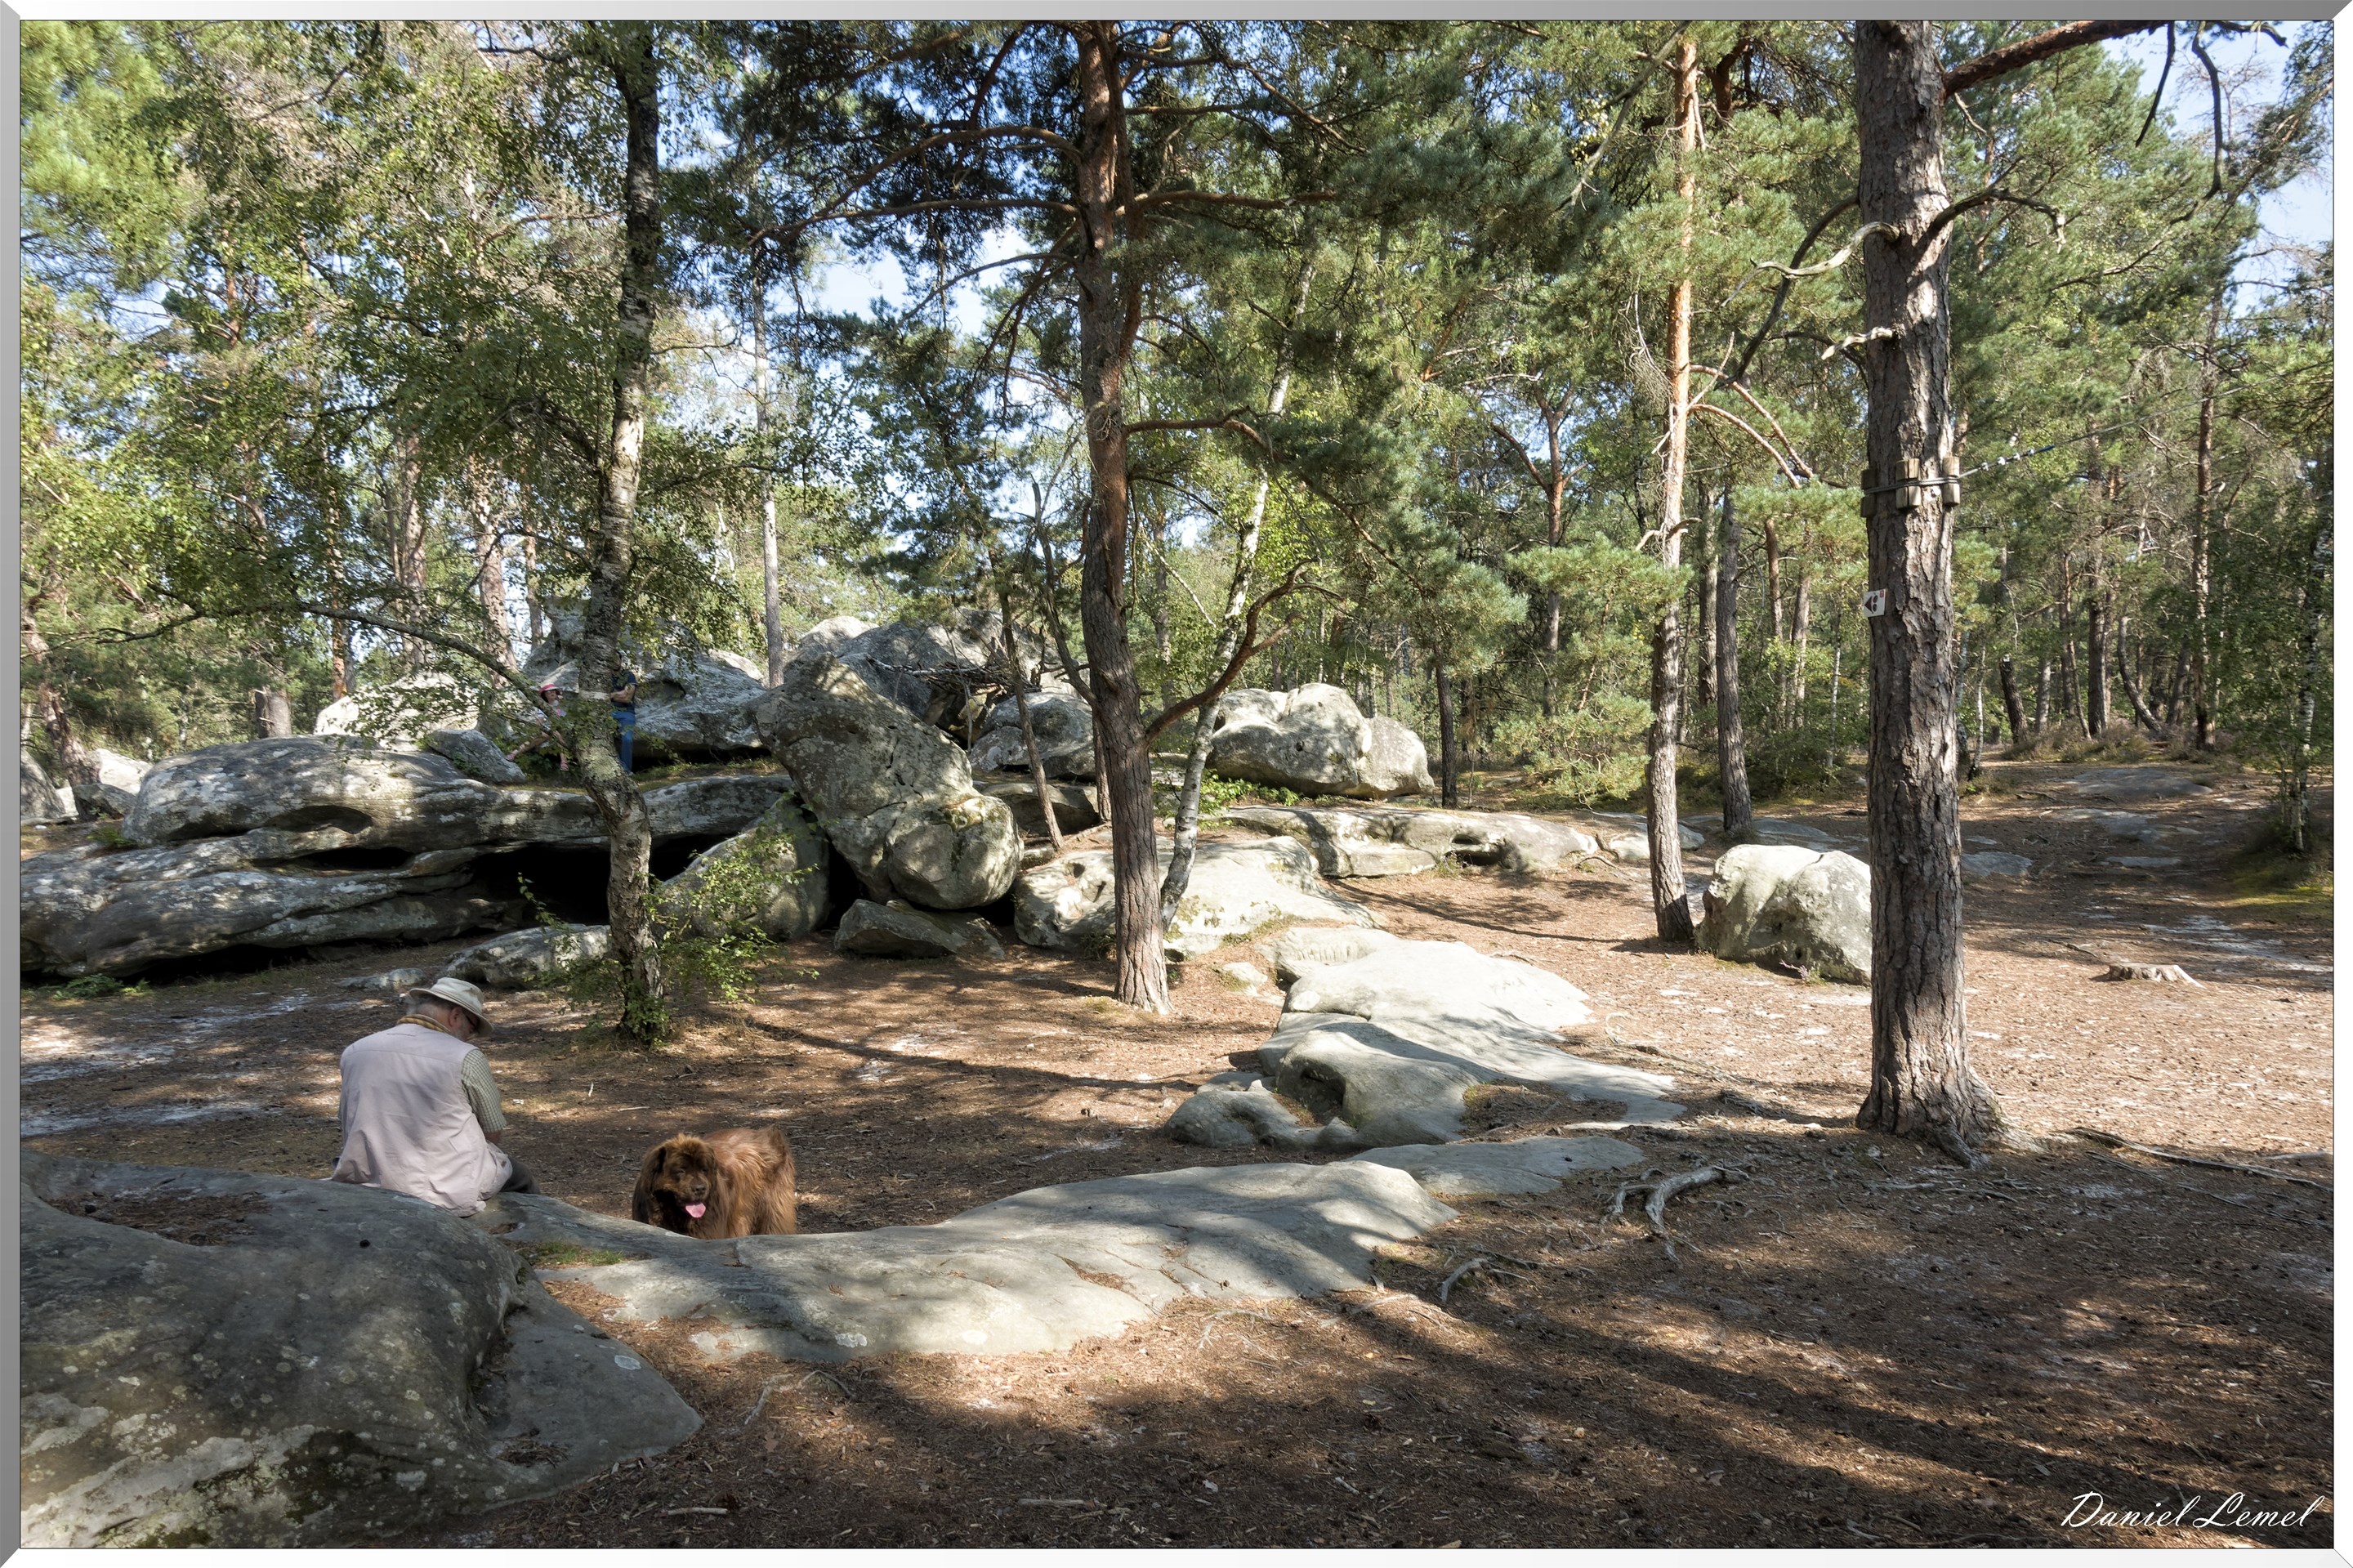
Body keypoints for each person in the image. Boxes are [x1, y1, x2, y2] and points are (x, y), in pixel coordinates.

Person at [331, 977, 538, 1217]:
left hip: (368, 1179)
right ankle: (540, 1234)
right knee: (521, 1175)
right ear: (456, 1016)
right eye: (471, 1029)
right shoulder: (465, 1056)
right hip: (442, 1188)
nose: (468, 1037)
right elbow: (492, 1133)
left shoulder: (356, 1050)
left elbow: (348, 1118)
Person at [505, 682, 569, 774]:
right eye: (549, 691)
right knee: (535, 738)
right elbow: (540, 722)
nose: (552, 693)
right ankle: (514, 753)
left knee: (559, 736)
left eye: (553, 691)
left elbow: (565, 717)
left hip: (561, 728)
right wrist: (537, 731)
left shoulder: (561, 704)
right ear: (545, 694)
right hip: (549, 730)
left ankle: (564, 762)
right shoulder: (543, 707)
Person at [609, 668, 637, 772]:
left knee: (627, 739)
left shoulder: (628, 675)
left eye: (617, 658)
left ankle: (626, 771)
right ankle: (623, 768)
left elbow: (627, 697)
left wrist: (610, 695)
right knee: (601, 737)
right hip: (607, 712)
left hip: (626, 712)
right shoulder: (604, 675)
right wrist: (620, 694)